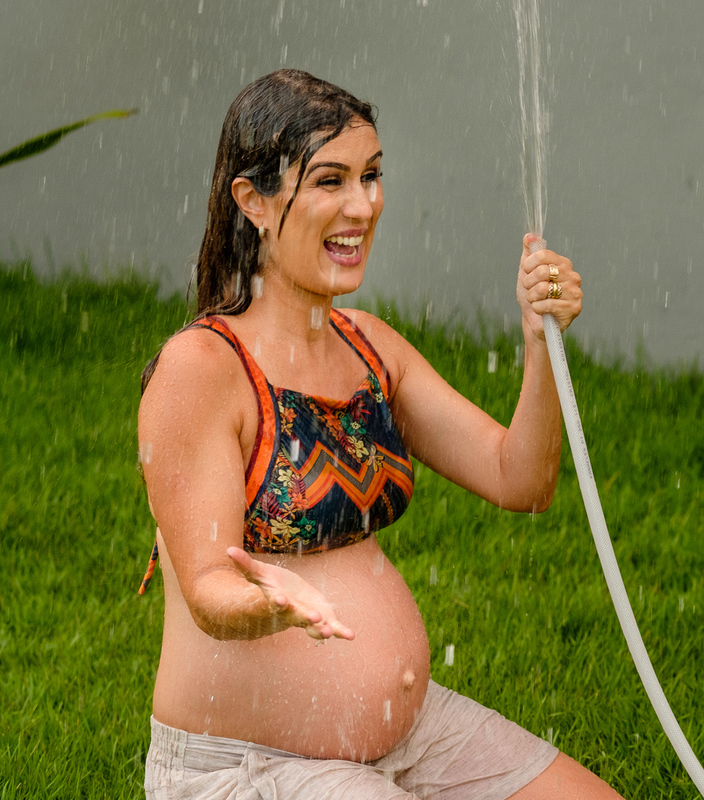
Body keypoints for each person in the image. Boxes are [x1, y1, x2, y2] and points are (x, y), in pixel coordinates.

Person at [137, 69, 622, 799]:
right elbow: (208, 588)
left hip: (414, 736)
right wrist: (272, 602)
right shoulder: (202, 369)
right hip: (249, 766)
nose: (363, 205)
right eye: (330, 180)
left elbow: (519, 480)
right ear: (254, 202)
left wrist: (538, 345)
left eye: (371, 176)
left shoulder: (369, 348)